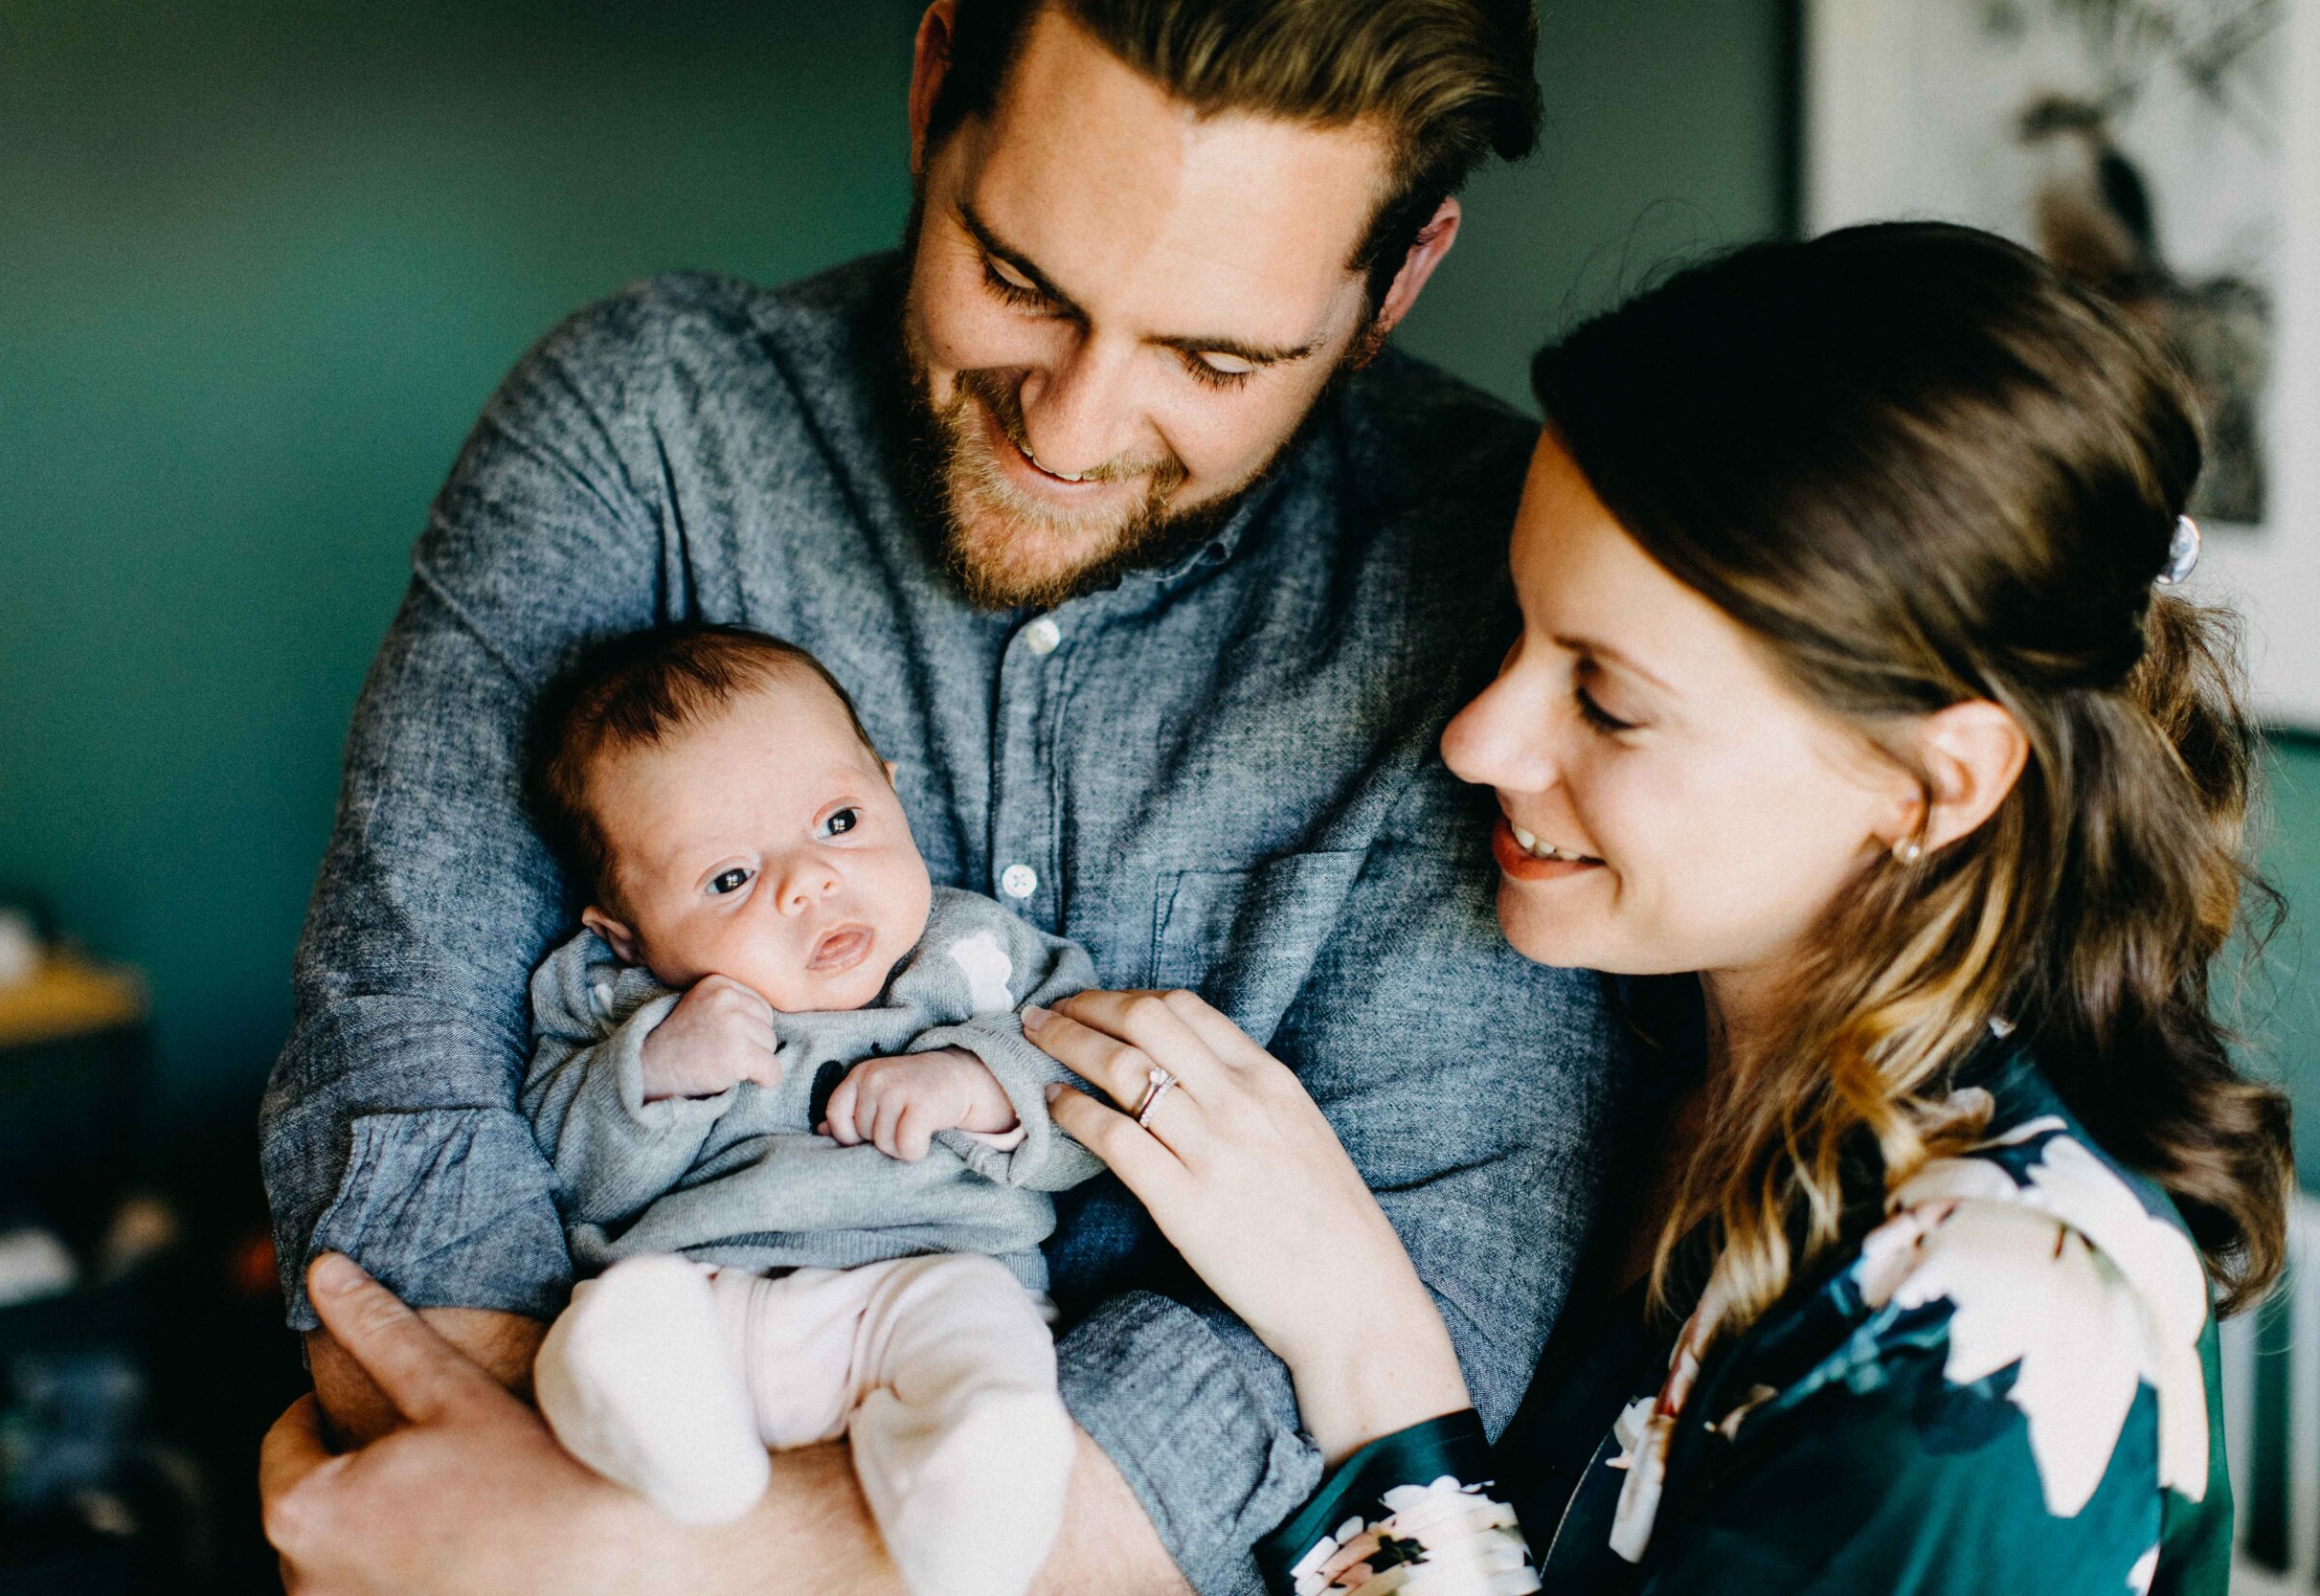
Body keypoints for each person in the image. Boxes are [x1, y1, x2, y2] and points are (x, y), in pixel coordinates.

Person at [257, 2, 1624, 1593]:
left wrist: (612, 1561)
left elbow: (1424, 1303)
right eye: (1019, 279)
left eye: (1214, 357)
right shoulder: (645, 432)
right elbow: (405, 1128)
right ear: (932, 90)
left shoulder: (1491, 587)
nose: (1072, 425)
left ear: (1399, 275)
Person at [1023, 223, 2294, 1594]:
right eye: (1515, 625)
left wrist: (1371, 1354)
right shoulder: (1640, 1017)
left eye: (1610, 701)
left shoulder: (1989, 1344)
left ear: (1932, 778)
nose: (1480, 740)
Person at [520, 624, 1106, 1596]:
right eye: (728, 878)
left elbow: (1083, 1086)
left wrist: (970, 1080)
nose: (807, 879)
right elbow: (553, 1159)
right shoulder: (620, 1004)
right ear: (626, 936)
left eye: (838, 821)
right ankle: (686, 1465)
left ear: (888, 785)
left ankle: (966, 1519)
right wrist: (659, 1067)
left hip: (929, 1282)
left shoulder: (976, 955)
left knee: (993, 1376)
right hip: (704, 1293)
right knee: (615, 1328)